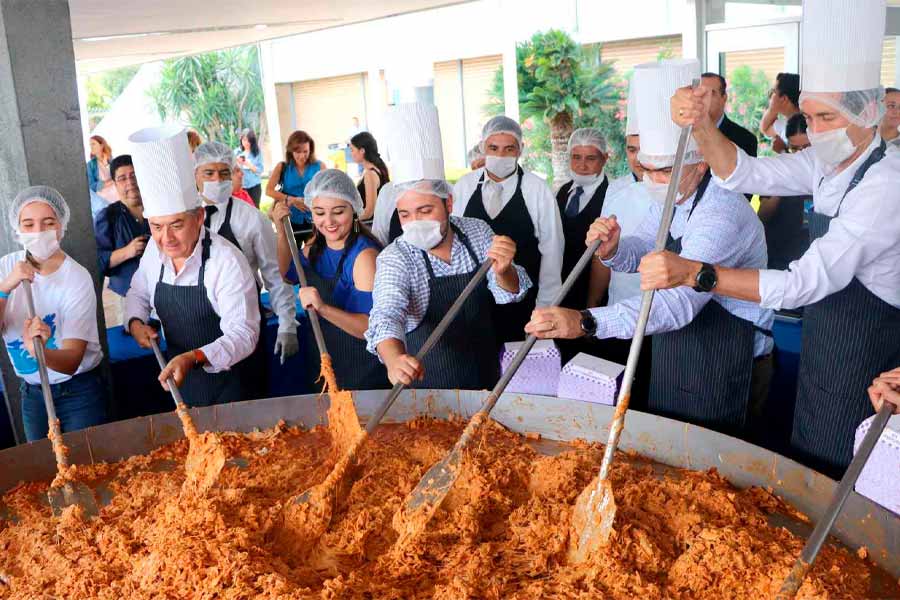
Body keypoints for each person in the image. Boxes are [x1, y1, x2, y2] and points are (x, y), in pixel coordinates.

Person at [656, 0, 900, 477]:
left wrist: (697, 274)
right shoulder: (829, 162)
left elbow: (801, 284)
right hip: (828, 342)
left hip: (869, 352)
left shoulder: (886, 184)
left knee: (847, 479)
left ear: (868, 113)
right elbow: (743, 171)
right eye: (808, 119)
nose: (814, 131)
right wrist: (703, 125)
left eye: (826, 118)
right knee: (811, 458)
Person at [525, 59, 774, 437]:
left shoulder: (721, 214)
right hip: (677, 347)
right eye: (646, 169)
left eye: (664, 171)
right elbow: (645, 247)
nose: (652, 181)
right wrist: (612, 249)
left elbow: (677, 303)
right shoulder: (673, 194)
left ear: (701, 164)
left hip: (725, 358)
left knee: (709, 462)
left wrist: (587, 321)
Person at [125, 125, 260, 407]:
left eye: (176, 225)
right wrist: (136, 322)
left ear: (199, 217)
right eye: (157, 227)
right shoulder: (154, 249)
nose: (166, 238)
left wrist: (194, 357)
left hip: (230, 386)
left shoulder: (226, 261)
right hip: (182, 386)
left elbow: (244, 333)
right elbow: (138, 291)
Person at [365, 179, 531, 389]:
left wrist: (505, 271)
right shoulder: (397, 258)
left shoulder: (476, 232)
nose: (415, 222)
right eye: (404, 215)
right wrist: (393, 359)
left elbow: (510, 293)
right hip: (430, 387)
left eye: (425, 211)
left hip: (487, 374)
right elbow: (386, 314)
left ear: (449, 204)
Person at [0, 186, 107, 441]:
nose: (38, 232)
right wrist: (6, 288)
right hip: (32, 391)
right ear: (17, 229)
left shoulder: (76, 278)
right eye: (28, 224)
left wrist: (38, 351)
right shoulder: (5, 267)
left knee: (88, 466)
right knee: (41, 472)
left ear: (61, 227)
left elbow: (71, 361)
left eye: (48, 223)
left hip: (78, 392)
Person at [193, 142, 300, 392]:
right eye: (209, 173)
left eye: (224, 173)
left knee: (250, 397)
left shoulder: (251, 218)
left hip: (246, 321)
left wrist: (287, 322)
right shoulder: (183, 219)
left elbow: (274, 274)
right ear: (194, 174)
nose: (217, 180)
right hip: (198, 323)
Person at [453, 115, 564, 344]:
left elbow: (552, 250)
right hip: (474, 303)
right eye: (493, 148)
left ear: (520, 150)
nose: (501, 155)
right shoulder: (465, 185)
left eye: (509, 148)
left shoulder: (537, 189)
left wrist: (545, 307)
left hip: (523, 303)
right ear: (483, 147)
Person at [272, 169, 388, 390]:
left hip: (363, 371)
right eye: (319, 212)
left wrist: (323, 308)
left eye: (338, 211)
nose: (329, 221)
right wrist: (281, 232)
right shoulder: (317, 244)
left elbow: (370, 328)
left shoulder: (364, 257)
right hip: (326, 362)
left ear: (354, 209)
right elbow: (287, 275)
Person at [556, 128, 612, 312]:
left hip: (594, 292)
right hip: (561, 288)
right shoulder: (562, 193)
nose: (582, 165)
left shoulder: (612, 196)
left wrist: (592, 304)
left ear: (604, 158)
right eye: (576, 157)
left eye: (590, 158)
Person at [757, 114, 811, 270]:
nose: (801, 154)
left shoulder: (829, 173)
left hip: (810, 263)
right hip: (776, 259)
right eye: (795, 148)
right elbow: (762, 217)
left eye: (807, 147)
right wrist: (782, 184)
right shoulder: (779, 170)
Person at [94, 155, 150, 298]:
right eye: (122, 178)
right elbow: (97, 261)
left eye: (134, 175)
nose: (130, 182)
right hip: (125, 295)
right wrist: (127, 251)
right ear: (114, 183)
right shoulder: (108, 216)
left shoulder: (158, 210)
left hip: (163, 292)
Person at [266, 130, 326, 232]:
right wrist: (292, 200)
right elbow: (269, 190)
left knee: (316, 247)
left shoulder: (320, 166)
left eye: (305, 151)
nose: (302, 156)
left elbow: (328, 190)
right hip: (289, 218)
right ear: (290, 151)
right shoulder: (282, 167)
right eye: (298, 152)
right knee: (291, 247)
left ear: (310, 150)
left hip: (315, 218)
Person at [701, 72, 758, 158]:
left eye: (711, 93)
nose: (704, 99)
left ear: (724, 98)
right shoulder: (686, 134)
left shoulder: (745, 139)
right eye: (701, 94)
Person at [349, 131, 390, 224]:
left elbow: (370, 211)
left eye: (352, 150)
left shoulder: (370, 174)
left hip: (370, 226)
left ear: (362, 151)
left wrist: (351, 221)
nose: (351, 154)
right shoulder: (377, 168)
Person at [760, 72, 801, 154]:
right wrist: (773, 108)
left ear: (784, 99)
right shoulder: (784, 123)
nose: (770, 96)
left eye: (773, 92)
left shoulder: (803, 127)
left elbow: (802, 164)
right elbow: (765, 129)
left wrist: (783, 151)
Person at [235, 128, 264, 207]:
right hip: (242, 186)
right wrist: (237, 161)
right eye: (244, 140)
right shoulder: (237, 152)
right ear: (241, 140)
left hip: (254, 186)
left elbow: (260, 170)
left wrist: (248, 164)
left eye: (249, 141)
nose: (246, 143)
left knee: (255, 209)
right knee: (244, 210)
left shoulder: (257, 153)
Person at [87, 135, 118, 203]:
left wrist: (106, 164)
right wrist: (109, 182)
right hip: (102, 197)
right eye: (90, 145)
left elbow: (117, 176)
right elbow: (92, 186)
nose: (91, 147)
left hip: (117, 193)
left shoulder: (111, 160)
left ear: (101, 146)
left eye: (93, 144)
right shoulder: (90, 165)